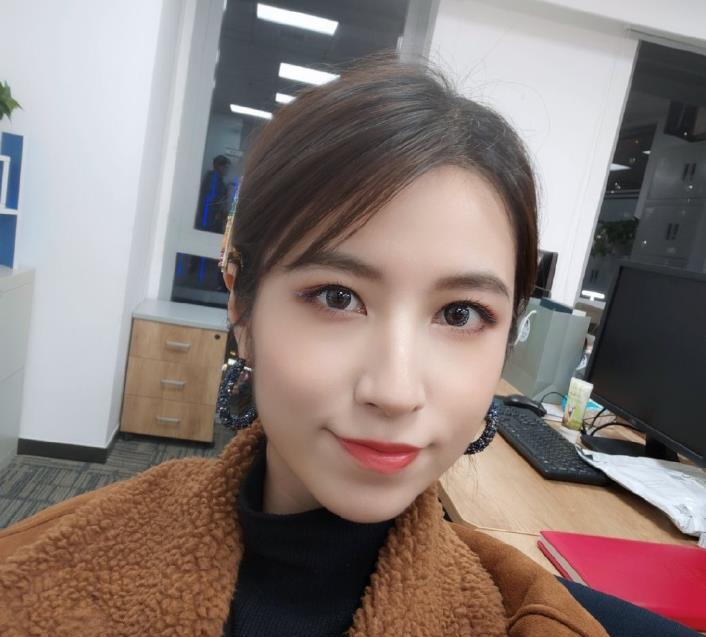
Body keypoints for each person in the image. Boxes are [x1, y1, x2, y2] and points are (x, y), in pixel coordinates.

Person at [0, 57, 698, 637]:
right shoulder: (36, 570)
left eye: (460, 312)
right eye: (337, 297)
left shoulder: (533, 617)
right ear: (241, 304)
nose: (394, 390)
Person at [196, 154, 231, 233]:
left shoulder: (215, 178)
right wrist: (221, 209)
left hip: (208, 219)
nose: (226, 170)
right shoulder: (214, 178)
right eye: (225, 167)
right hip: (208, 221)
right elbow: (212, 199)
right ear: (219, 166)